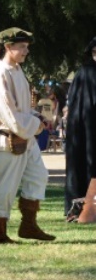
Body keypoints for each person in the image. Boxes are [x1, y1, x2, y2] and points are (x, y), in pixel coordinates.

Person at [0, 27, 55, 243]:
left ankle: (28, 225)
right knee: (6, 187)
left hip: (25, 136)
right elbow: (7, 113)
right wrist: (35, 124)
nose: (25, 52)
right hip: (8, 139)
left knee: (38, 175)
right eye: (21, 47)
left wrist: (36, 117)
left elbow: (20, 109)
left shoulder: (17, 71)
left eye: (26, 47)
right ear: (8, 47)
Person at [65, 37, 96, 222]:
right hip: (85, 131)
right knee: (84, 165)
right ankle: (81, 210)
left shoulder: (82, 73)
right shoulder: (84, 73)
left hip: (85, 129)